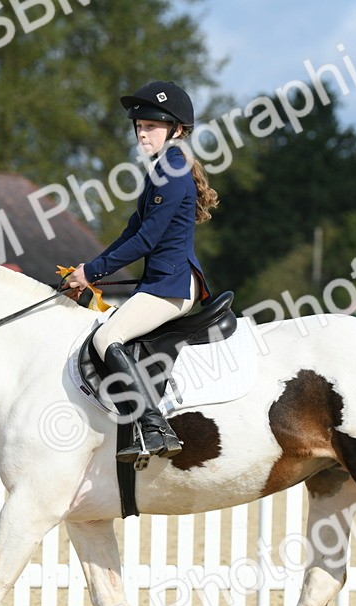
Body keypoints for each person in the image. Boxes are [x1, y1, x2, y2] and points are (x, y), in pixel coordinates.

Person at [64, 80, 219, 464]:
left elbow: (147, 240)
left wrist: (92, 272)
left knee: (107, 338)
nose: (142, 132)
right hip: (162, 281)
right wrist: (89, 271)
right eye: (139, 125)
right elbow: (131, 232)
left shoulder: (172, 169)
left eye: (151, 126)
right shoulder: (163, 169)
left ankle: (152, 424)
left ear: (177, 130)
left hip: (171, 284)